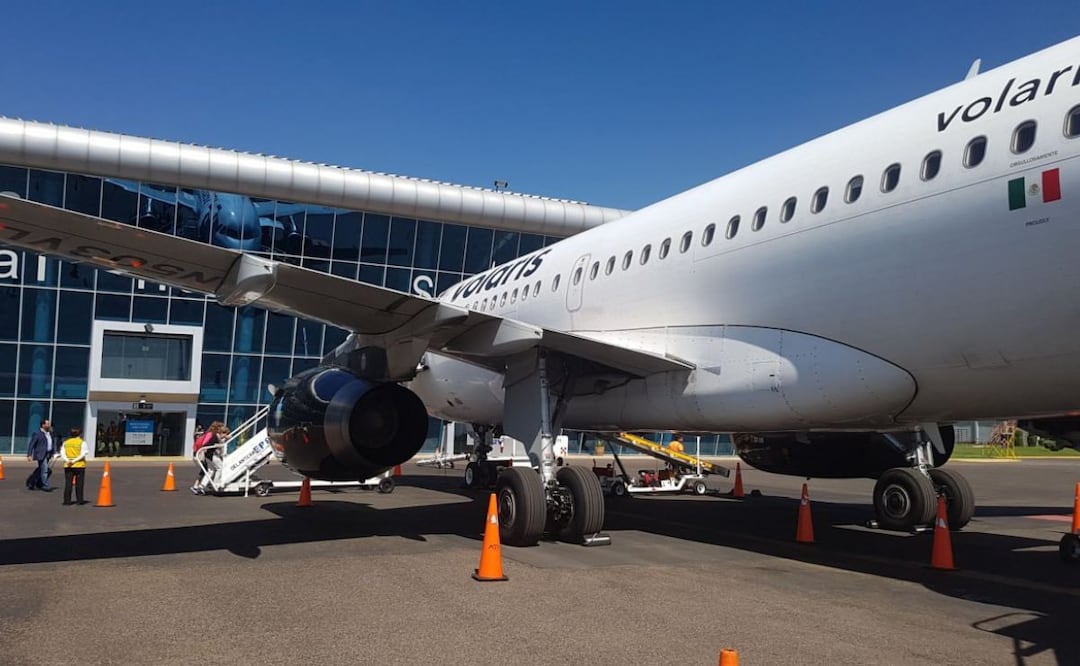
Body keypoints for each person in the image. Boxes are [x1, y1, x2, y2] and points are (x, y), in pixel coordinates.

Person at [60, 427, 89, 505]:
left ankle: (67, 501)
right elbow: (83, 454)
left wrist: (68, 460)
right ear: (80, 434)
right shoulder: (82, 442)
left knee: (68, 483)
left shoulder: (66, 442)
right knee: (79, 484)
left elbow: (62, 453)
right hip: (79, 465)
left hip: (68, 465)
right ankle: (79, 500)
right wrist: (74, 461)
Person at [25, 419, 55, 491]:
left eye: (49, 424)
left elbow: (52, 443)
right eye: (47, 424)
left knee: (41, 469)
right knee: (45, 470)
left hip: (48, 454)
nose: (49, 425)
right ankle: (46, 486)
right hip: (41, 454)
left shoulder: (50, 433)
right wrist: (29, 455)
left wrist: (53, 452)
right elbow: (31, 444)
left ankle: (33, 483)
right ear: (43, 425)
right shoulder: (37, 434)